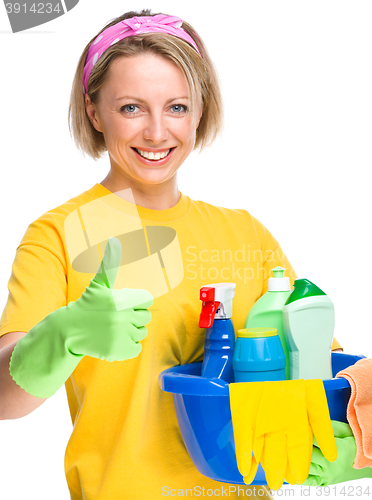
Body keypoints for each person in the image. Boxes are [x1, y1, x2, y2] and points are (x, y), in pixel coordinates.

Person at [0, 9, 344, 500]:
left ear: (200, 111)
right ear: (94, 111)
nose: (158, 133)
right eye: (132, 108)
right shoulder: (60, 234)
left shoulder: (245, 233)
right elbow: (4, 400)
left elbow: (316, 361)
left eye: (177, 107)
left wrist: (347, 416)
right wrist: (63, 336)